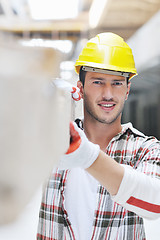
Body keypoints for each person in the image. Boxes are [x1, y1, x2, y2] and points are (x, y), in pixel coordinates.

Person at [37, 32, 160, 240]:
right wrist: (39, 96)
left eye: (117, 83)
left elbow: (154, 203)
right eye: (98, 82)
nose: (108, 94)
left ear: (128, 89)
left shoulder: (145, 148)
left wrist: (86, 155)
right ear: (80, 88)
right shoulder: (53, 139)